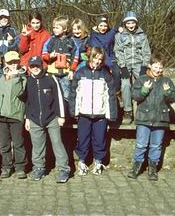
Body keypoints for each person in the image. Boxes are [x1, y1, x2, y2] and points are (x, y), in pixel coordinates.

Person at [127, 53, 175, 181]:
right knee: (141, 144)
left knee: (156, 145)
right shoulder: (142, 79)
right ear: (150, 66)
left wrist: (168, 92)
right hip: (144, 118)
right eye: (155, 66)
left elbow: (174, 97)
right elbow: (135, 96)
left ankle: (153, 167)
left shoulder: (166, 81)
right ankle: (136, 166)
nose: (158, 70)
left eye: (160, 67)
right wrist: (144, 90)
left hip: (160, 119)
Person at [69, 47, 118, 176]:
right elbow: (74, 93)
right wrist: (74, 111)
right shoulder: (80, 73)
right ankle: (82, 162)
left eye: (100, 59)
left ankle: (98, 162)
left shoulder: (106, 75)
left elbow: (110, 96)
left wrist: (111, 114)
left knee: (99, 139)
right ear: (90, 57)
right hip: (84, 113)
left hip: (99, 114)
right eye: (95, 58)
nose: (97, 61)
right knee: (83, 139)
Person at [25, 56, 70, 183]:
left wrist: (61, 115)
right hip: (34, 119)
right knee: (37, 145)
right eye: (32, 66)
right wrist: (27, 118)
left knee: (57, 143)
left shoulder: (51, 79)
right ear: (29, 68)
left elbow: (59, 98)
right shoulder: (28, 81)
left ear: (42, 66)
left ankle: (63, 169)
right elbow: (27, 102)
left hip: (52, 118)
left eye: (37, 66)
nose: (35, 68)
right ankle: (39, 167)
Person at [0, 51, 27, 179]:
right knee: (4, 144)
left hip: (15, 114)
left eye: (15, 62)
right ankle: (6, 167)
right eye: (10, 62)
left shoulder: (22, 77)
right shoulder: (0, 77)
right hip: (1, 114)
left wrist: (16, 77)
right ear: (6, 63)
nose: (13, 65)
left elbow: (21, 93)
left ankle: (20, 167)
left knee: (18, 143)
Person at [115, 11, 151, 123]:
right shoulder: (119, 36)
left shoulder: (142, 36)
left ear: (136, 23)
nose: (131, 25)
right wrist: (122, 66)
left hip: (138, 63)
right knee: (125, 85)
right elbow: (118, 51)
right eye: (128, 23)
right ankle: (128, 111)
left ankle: (145, 110)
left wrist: (144, 66)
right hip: (125, 64)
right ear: (125, 24)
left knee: (144, 82)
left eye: (133, 23)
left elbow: (146, 52)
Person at [42, 16, 75, 102]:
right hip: (52, 73)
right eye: (54, 27)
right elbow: (44, 53)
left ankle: (66, 113)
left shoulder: (71, 41)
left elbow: (75, 56)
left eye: (57, 28)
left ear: (65, 29)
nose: (54, 29)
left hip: (66, 74)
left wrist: (72, 70)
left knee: (66, 95)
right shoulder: (51, 40)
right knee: (51, 94)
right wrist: (49, 56)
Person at [88, 15, 122, 97]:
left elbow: (115, 29)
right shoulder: (93, 36)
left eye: (105, 25)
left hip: (112, 59)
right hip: (100, 60)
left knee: (117, 73)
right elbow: (101, 51)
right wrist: (109, 65)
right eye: (101, 25)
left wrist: (118, 27)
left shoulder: (110, 33)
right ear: (97, 26)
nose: (103, 28)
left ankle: (117, 93)